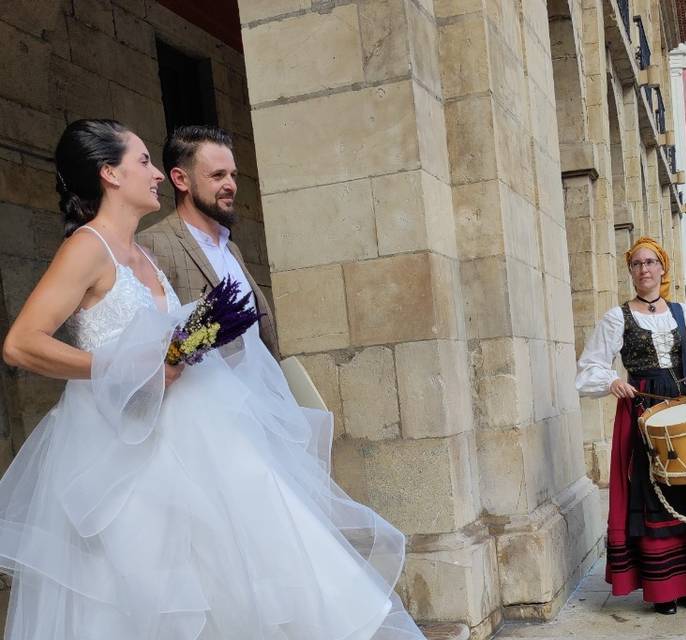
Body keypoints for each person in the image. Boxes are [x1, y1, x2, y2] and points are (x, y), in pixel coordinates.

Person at [0, 120, 425, 639]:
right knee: (142, 592)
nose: (155, 172)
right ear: (108, 174)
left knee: (254, 571)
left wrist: (189, 341)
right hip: (123, 449)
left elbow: (155, 343)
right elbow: (21, 343)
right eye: (142, 162)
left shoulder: (143, 256)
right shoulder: (88, 247)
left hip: (185, 432)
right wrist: (123, 370)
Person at [576, 237, 686, 615]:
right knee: (652, 493)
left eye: (650, 262)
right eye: (637, 264)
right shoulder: (617, 317)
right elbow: (590, 366)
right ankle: (663, 589)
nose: (644, 269)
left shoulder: (683, 313)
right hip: (643, 409)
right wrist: (611, 382)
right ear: (631, 272)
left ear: (662, 269)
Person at [137, 125, 280, 359]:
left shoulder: (231, 248)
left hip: (260, 390)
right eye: (217, 175)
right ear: (180, 179)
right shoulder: (152, 244)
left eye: (233, 175)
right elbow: (152, 344)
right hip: (201, 391)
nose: (231, 185)